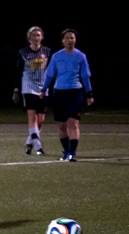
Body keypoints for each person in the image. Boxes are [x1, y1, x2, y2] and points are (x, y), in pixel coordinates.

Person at [42, 29, 93, 162]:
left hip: (75, 92)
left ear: (75, 40)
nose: (70, 40)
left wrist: (89, 93)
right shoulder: (57, 56)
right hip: (59, 93)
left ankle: (73, 153)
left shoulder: (80, 56)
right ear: (63, 41)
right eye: (68, 38)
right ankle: (66, 151)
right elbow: (50, 74)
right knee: (62, 125)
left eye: (73, 38)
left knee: (73, 123)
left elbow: (85, 75)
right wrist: (43, 89)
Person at [13, 26, 51, 155]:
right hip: (28, 86)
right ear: (29, 38)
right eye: (34, 35)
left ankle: (30, 142)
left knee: (41, 120)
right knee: (32, 118)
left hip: (43, 87)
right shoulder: (23, 52)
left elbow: (51, 70)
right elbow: (18, 71)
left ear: (42, 37)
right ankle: (38, 147)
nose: (36, 38)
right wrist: (16, 89)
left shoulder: (47, 51)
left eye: (39, 35)